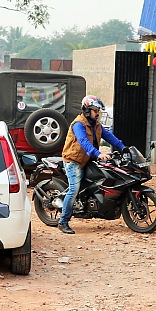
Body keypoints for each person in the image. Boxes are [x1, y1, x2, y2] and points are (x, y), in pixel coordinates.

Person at [57, 95, 126, 234]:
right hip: (74, 161)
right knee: (74, 189)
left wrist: (124, 148)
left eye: (99, 110)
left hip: (87, 160)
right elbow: (83, 142)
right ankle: (63, 221)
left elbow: (110, 137)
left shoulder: (97, 125)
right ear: (88, 110)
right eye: (96, 110)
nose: (98, 113)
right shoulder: (78, 124)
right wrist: (98, 154)